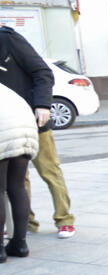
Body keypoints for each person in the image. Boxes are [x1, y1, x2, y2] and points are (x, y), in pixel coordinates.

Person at [0, 25, 76, 239]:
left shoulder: (8, 39)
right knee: (16, 179)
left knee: (49, 171)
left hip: (32, 120)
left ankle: (64, 220)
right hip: (6, 127)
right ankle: (26, 222)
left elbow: (42, 72)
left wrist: (42, 104)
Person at [0, 83, 38, 262]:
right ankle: (20, 244)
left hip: (4, 132)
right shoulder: (7, 89)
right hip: (25, 131)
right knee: (17, 186)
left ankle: (0, 249)